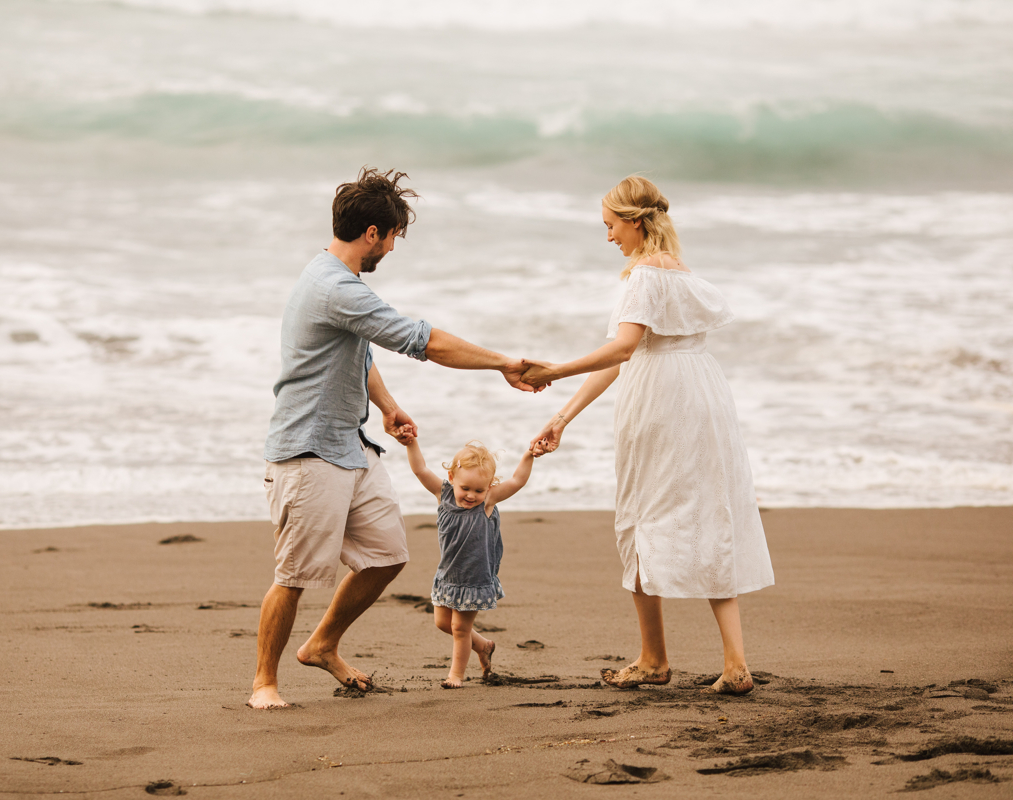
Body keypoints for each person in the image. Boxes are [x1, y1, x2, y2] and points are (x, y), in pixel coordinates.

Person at [250, 167, 542, 710]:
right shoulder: (335, 287)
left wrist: (386, 406)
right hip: (308, 451)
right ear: (372, 234)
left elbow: (358, 353)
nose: (391, 248)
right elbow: (421, 341)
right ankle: (263, 684)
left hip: (351, 446)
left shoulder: (339, 283)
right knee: (293, 574)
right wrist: (503, 361)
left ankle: (321, 645)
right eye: (392, 237)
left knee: (386, 555)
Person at [523, 176, 774, 696]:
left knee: (638, 518)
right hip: (703, 395)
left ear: (635, 221)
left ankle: (653, 658)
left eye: (611, 225)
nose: (609, 236)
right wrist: (563, 416)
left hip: (663, 403)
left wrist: (555, 370)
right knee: (711, 516)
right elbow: (627, 353)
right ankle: (735, 663)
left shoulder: (641, 277)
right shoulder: (681, 274)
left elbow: (621, 350)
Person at [400, 437, 542, 688]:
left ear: (489, 487)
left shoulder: (487, 503)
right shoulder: (443, 495)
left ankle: (456, 675)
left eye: (479, 490)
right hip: (447, 576)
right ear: (451, 477)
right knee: (443, 623)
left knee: (459, 629)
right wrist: (411, 442)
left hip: (473, 581)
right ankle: (484, 646)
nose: (471, 495)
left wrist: (528, 455)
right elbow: (420, 469)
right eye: (465, 488)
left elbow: (517, 481)